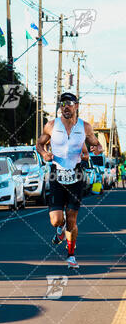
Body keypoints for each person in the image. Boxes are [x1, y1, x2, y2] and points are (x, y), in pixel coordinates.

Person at [36, 92, 103, 269]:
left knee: (72, 220)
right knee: (56, 220)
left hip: (77, 175)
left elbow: (97, 144)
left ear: (76, 106)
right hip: (56, 175)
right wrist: (44, 154)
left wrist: (97, 149)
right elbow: (39, 143)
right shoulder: (51, 125)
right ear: (60, 107)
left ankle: (71, 255)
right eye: (63, 103)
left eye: (70, 103)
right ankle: (60, 230)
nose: (66, 106)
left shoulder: (85, 127)